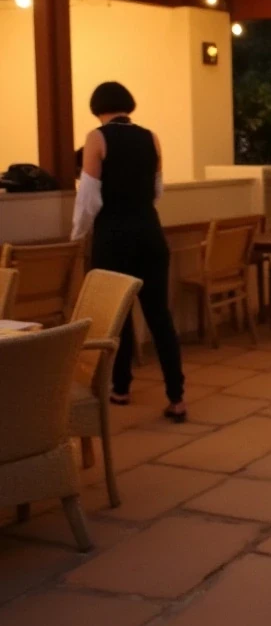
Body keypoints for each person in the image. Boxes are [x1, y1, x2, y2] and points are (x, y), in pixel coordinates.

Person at [72, 82, 187, 422]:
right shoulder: (150, 137)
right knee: (159, 317)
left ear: (97, 107)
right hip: (150, 234)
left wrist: (77, 235)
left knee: (116, 318)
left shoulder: (97, 138)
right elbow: (157, 189)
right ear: (127, 105)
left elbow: (89, 198)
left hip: (113, 236)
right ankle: (176, 397)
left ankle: (120, 387)